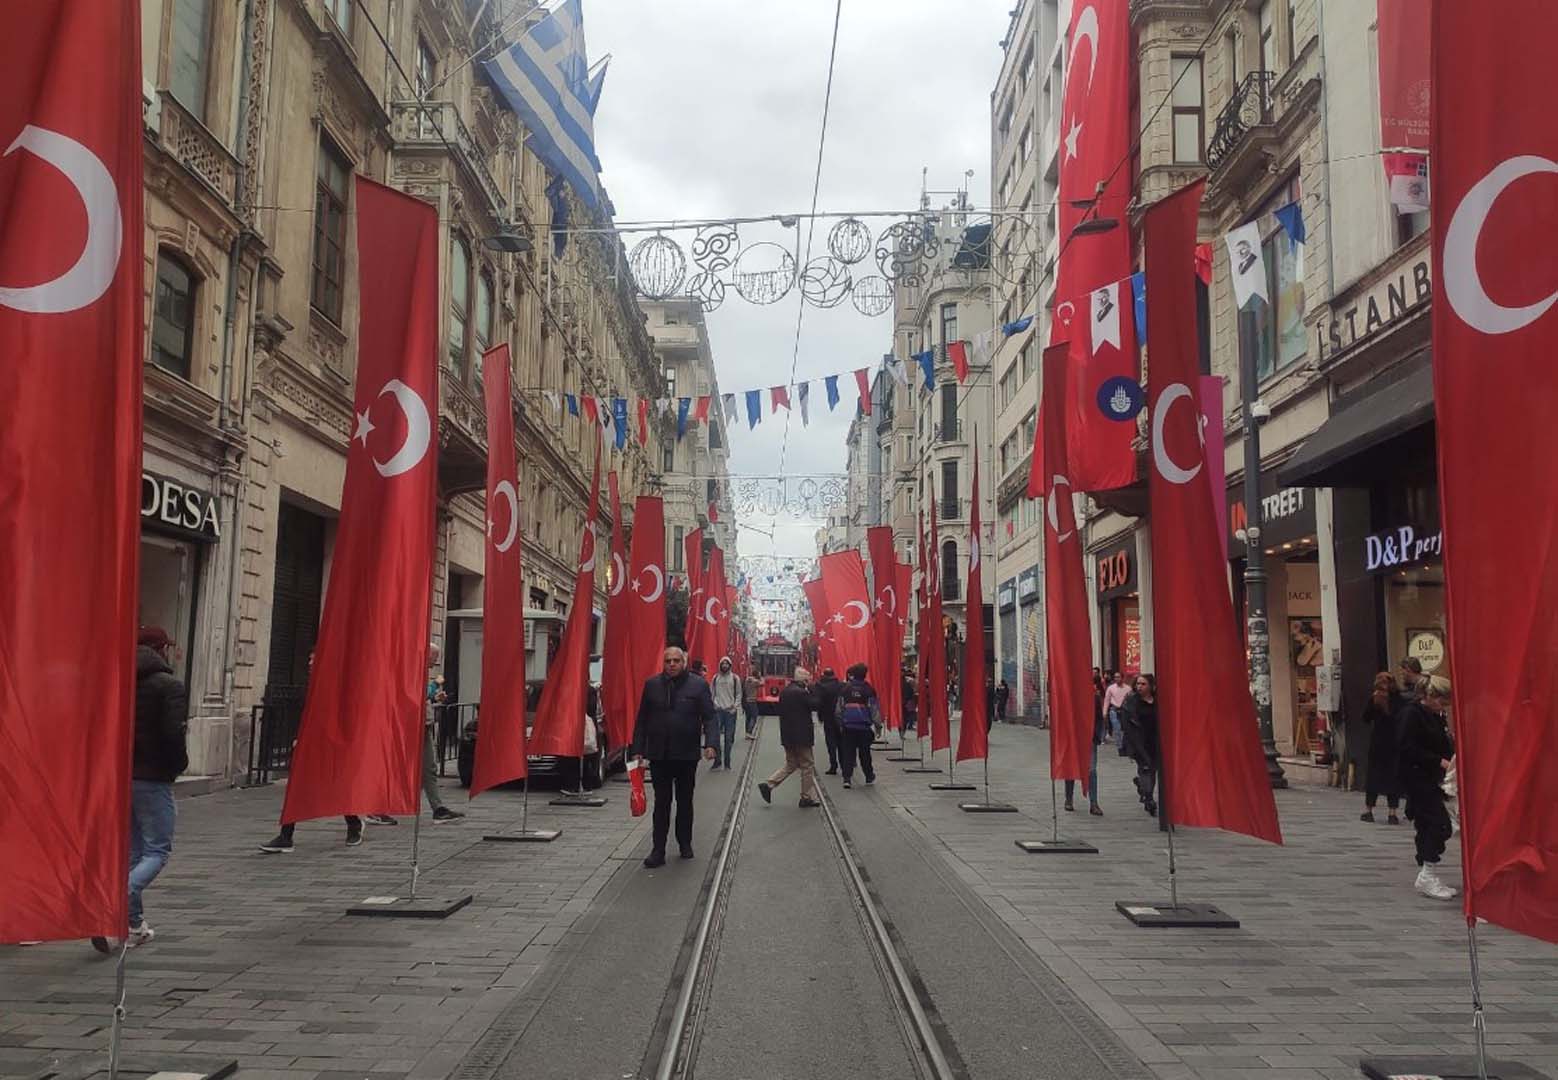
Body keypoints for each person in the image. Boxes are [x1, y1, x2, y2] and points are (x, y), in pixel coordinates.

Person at [94, 628, 189, 952]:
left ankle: (134, 925)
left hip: (123, 777)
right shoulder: (169, 686)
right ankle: (118, 904)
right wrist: (177, 766)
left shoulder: (121, 681)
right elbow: (173, 735)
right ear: (160, 649)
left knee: (135, 852)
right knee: (157, 850)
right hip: (153, 778)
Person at [260, 650, 363, 853]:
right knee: (298, 785)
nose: (308, 662)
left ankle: (354, 824)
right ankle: (286, 835)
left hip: (331, 742)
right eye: (309, 657)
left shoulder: (335, 685)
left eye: (313, 658)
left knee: (337, 783)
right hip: (311, 741)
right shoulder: (311, 684)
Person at [630, 647, 718, 867]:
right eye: (668, 660)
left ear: (684, 662)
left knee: (685, 802)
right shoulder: (652, 685)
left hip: (686, 755)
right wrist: (637, 749)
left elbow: (709, 717)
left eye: (676, 661)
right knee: (662, 803)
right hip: (659, 755)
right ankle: (657, 850)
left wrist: (711, 744)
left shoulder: (698, 685)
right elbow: (642, 719)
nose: (671, 664)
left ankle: (684, 843)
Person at [364, 642, 465, 825]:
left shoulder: (421, 671)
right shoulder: (411, 670)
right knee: (397, 768)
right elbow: (413, 693)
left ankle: (438, 808)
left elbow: (421, 698)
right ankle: (376, 808)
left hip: (422, 726)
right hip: (409, 728)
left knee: (429, 768)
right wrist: (435, 685)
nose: (436, 662)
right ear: (426, 655)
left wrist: (434, 698)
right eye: (434, 658)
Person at [1398, 675, 1457, 900]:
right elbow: (1406, 747)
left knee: (1427, 824)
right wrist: (1438, 761)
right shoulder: (1411, 715)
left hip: (1430, 777)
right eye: (1441, 702)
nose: (1443, 707)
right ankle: (1427, 874)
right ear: (1430, 696)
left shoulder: (1434, 715)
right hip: (1416, 777)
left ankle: (1427, 872)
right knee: (1439, 823)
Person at [757, 668, 821, 808]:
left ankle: (769, 785)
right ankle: (806, 797)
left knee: (791, 763)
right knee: (807, 765)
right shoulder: (802, 693)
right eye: (808, 680)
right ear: (804, 680)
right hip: (802, 736)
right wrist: (813, 690)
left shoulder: (785, 692)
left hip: (787, 735)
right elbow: (815, 704)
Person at [1360, 672, 1404, 825]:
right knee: (1393, 777)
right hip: (1394, 742)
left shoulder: (1375, 698)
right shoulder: (1399, 699)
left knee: (1374, 776)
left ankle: (1369, 810)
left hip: (1378, 742)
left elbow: (1365, 718)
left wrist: (1374, 703)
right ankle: (1392, 813)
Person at [1062, 677, 1106, 816]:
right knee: (1071, 769)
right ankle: (1068, 799)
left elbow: (1099, 718)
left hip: (1090, 739)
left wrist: (1097, 735)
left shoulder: (1094, 699)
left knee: (1091, 770)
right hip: (1073, 739)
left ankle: (1094, 803)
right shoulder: (1069, 699)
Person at [835, 662, 881, 789]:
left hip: (848, 727)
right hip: (864, 728)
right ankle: (869, 776)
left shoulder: (845, 689)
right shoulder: (869, 689)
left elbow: (839, 710)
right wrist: (878, 726)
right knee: (865, 753)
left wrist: (840, 723)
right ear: (865, 675)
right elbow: (874, 710)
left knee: (848, 753)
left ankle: (847, 779)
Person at [1122, 674, 1159, 816]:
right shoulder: (1131, 702)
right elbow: (1127, 725)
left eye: (1143, 684)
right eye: (1138, 684)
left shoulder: (1157, 701)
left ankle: (1145, 790)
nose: (1139, 687)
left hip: (1154, 741)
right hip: (1138, 742)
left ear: (1150, 686)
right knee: (1145, 768)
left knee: (1152, 770)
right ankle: (1149, 798)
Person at [710, 656, 742, 770]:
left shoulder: (735, 678)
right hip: (718, 711)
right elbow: (712, 693)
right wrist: (714, 704)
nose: (724, 665)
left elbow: (739, 694)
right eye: (722, 663)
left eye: (726, 664)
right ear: (720, 665)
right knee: (715, 737)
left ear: (730, 665)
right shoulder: (715, 678)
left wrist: (735, 706)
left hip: (730, 712)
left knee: (728, 738)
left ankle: (727, 761)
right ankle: (717, 760)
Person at [814, 667, 844, 774]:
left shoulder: (821, 687)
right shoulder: (841, 685)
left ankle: (833, 765)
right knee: (841, 742)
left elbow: (819, 703)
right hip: (840, 718)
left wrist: (820, 716)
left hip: (828, 718)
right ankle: (844, 765)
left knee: (830, 742)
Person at [1103, 671, 1130, 754]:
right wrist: (1104, 711)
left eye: (1118, 677)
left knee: (1125, 729)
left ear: (1122, 678)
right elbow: (1107, 700)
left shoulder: (1128, 688)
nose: (1116, 679)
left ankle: (1125, 746)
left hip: (1125, 710)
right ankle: (1120, 747)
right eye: (1115, 677)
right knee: (1117, 728)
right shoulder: (1111, 688)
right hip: (1114, 710)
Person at [742, 671, 761, 739]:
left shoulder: (746, 680)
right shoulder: (756, 681)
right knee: (754, 716)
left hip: (746, 701)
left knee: (748, 717)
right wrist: (760, 678)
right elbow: (762, 683)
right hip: (752, 701)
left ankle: (746, 732)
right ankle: (749, 732)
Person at [901, 669, 918, 734]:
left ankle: (903, 730)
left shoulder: (909, 681)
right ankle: (902, 730)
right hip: (903, 702)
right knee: (904, 717)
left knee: (906, 717)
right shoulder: (907, 681)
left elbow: (912, 691)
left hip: (906, 701)